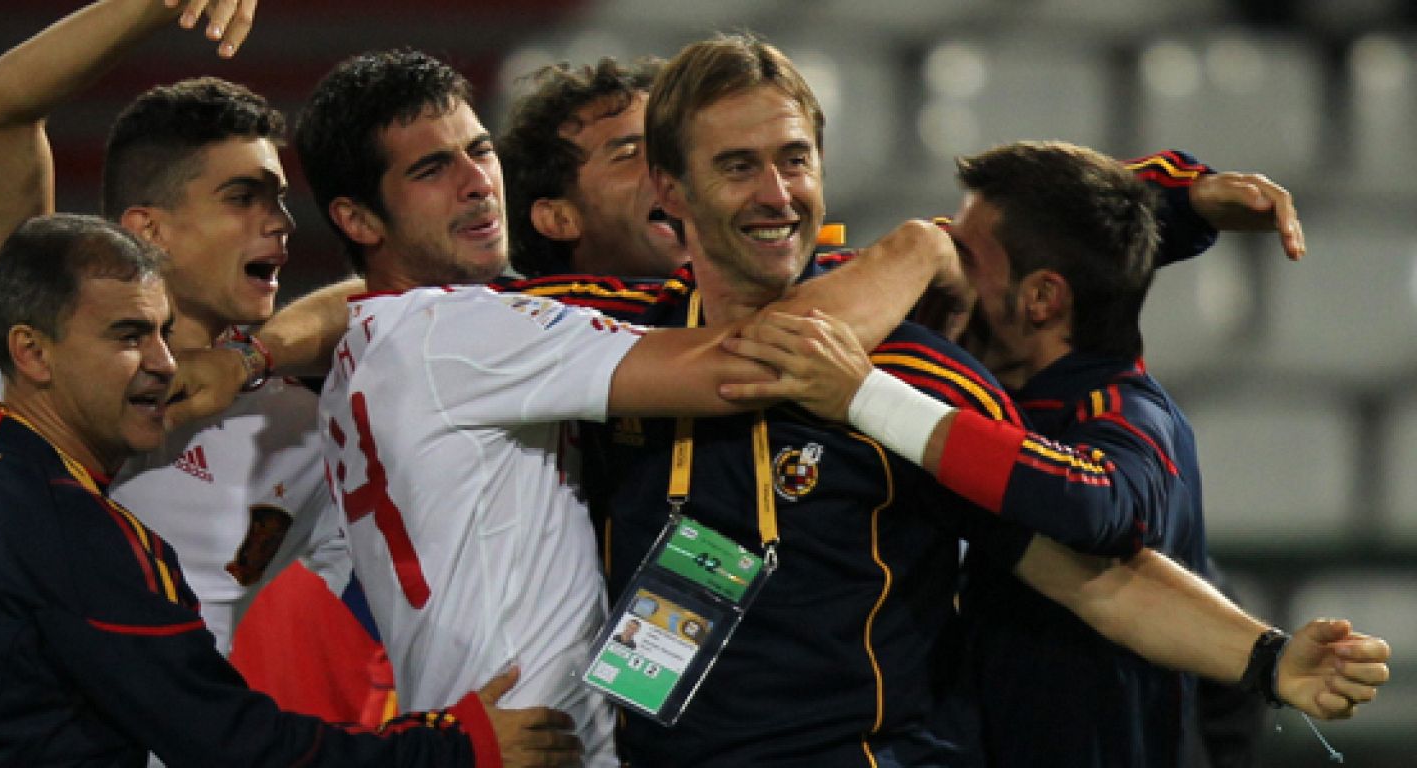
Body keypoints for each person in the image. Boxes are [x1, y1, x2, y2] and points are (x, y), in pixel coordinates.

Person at [553, 33, 1388, 767]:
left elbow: (1092, 578)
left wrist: (1269, 657)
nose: (778, 194)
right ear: (668, 187)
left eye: (796, 158)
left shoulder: (921, 374)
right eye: (738, 166)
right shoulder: (602, 347)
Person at [169, 46, 961, 768]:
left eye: (480, 150)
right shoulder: (466, 332)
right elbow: (752, 361)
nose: (478, 179)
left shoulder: (384, 338)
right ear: (357, 219)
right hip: (541, 742)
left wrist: (255, 350)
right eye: (432, 170)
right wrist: (918, 247)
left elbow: (372, 303)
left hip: (475, 730)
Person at [0, 213, 578, 767]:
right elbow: (232, 746)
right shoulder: (68, 529)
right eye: (128, 335)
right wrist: (457, 746)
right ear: (31, 353)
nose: (164, 362)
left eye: (165, 332)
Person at [724, 139, 1293, 766]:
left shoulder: (1124, 413)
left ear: (1042, 299)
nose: (942, 266)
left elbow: (1099, 503)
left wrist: (867, 400)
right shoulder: (983, 380)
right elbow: (1075, 223)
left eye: (961, 253)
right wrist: (1181, 200)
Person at [0, 0, 389, 722]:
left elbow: (410, 293)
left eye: (279, 198)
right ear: (148, 230)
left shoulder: (298, 421)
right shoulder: (50, 346)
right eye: (244, 197)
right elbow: (1, 106)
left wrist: (250, 357)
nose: (279, 223)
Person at [499, 57, 688, 278]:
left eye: (674, 146)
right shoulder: (511, 311)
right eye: (628, 154)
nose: (672, 161)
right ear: (560, 219)